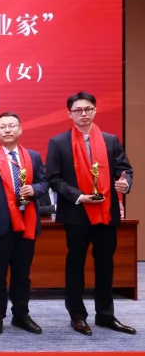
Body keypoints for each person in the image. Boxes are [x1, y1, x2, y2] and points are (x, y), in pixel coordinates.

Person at [46, 91, 135, 335]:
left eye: (88, 109)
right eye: (78, 110)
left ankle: (105, 315)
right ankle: (77, 315)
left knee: (105, 264)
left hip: (106, 212)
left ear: (95, 110)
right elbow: (53, 178)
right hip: (76, 213)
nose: (83, 114)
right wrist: (78, 195)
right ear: (69, 114)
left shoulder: (110, 140)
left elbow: (124, 169)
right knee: (76, 264)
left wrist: (125, 183)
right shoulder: (58, 142)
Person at [0, 112, 49, 335]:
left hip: (27, 221)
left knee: (22, 273)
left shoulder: (32, 156)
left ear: (20, 129)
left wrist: (34, 189)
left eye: (12, 126)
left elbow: (44, 183)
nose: (7, 130)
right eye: (2, 127)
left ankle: (21, 314)